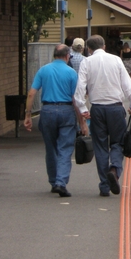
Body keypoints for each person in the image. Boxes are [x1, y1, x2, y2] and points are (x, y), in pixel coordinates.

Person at [74, 35, 131, 197]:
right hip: (116, 108)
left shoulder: (86, 62)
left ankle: (104, 185)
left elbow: (80, 87)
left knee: (100, 146)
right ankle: (114, 170)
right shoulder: (116, 60)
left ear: (89, 49)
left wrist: (82, 108)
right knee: (118, 142)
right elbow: (127, 84)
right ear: (104, 46)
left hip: (97, 110)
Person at [24, 44, 88, 197]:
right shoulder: (72, 73)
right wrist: (82, 122)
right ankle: (61, 182)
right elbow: (76, 100)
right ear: (67, 56)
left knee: (51, 148)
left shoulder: (43, 70)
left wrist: (27, 115)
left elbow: (32, 93)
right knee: (65, 149)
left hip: (47, 111)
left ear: (54, 55)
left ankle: (53, 181)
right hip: (66, 111)